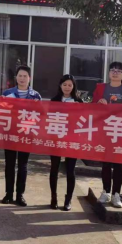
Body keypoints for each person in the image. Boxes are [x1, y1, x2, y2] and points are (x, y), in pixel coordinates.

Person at [93, 62, 122, 208]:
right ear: (108, 73)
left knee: (119, 164)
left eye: (118, 71)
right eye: (112, 70)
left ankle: (116, 194)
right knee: (106, 163)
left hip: (121, 131)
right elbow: (91, 108)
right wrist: (98, 103)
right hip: (105, 130)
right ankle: (106, 192)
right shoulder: (100, 88)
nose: (115, 72)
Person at [1, 65, 42, 207]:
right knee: (10, 164)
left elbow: (40, 116)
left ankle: (20, 195)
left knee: (23, 165)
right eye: (20, 76)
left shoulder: (35, 96)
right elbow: (0, 112)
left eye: (25, 76)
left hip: (26, 135)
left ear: (29, 78)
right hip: (10, 133)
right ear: (16, 77)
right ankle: (8, 194)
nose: (22, 78)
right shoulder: (7, 94)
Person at [50, 75, 83, 211]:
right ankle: (53, 198)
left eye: (70, 85)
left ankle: (68, 200)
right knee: (54, 168)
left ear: (73, 86)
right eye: (65, 84)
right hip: (56, 138)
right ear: (60, 85)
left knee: (70, 170)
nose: (67, 87)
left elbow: (84, 120)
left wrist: (78, 109)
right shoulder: (54, 100)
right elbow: (49, 118)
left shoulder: (78, 101)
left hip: (72, 139)